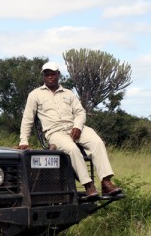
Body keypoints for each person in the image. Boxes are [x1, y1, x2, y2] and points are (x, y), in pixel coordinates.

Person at [18, 61, 122, 200]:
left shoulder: (68, 93)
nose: (50, 77)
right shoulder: (35, 94)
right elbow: (27, 119)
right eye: (47, 74)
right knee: (72, 149)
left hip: (74, 127)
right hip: (55, 132)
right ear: (43, 76)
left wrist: (78, 126)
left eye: (53, 74)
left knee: (97, 142)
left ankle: (106, 182)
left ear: (58, 75)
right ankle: (88, 185)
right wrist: (23, 140)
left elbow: (80, 112)